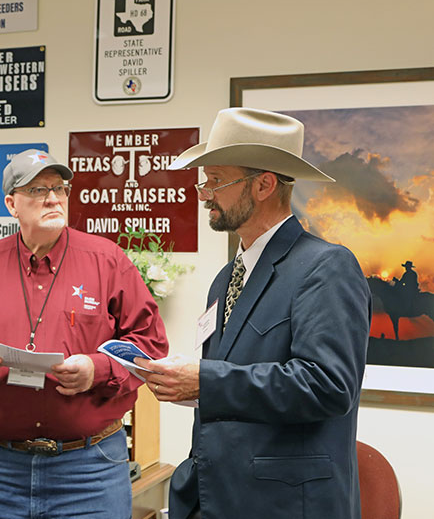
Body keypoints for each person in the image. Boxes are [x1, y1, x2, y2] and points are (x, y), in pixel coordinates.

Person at [135, 108, 372, 519]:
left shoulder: (327, 266)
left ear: (264, 185)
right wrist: (185, 386)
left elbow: (328, 385)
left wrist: (203, 381)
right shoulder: (225, 279)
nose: (205, 194)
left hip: (283, 506)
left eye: (217, 181)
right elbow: (234, 383)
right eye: (204, 183)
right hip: (214, 498)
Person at [0, 149, 169, 519]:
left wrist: (99, 369)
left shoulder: (106, 260)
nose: (52, 198)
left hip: (88, 470)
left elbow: (150, 344)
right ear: (12, 204)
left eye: (59, 188)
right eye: (37, 189)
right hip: (0, 471)